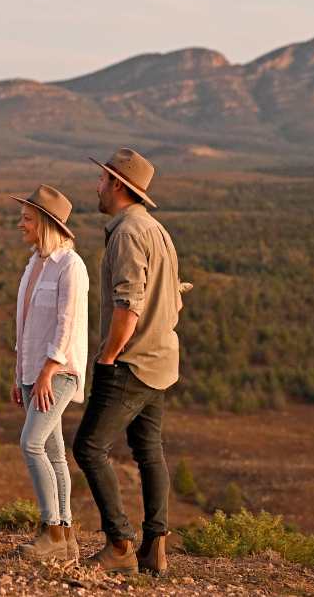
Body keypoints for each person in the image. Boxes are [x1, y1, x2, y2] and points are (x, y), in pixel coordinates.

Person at [73, 147, 191, 575]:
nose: (97, 186)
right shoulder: (155, 228)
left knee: (88, 446)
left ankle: (120, 543)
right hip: (161, 361)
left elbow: (128, 304)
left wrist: (107, 357)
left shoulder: (126, 232)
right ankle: (154, 547)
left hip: (131, 364)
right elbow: (174, 296)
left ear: (118, 185)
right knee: (148, 450)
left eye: (102, 179)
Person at [9, 185, 89, 563]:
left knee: (32, 444)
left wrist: (46, 372)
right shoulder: (34, 264)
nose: (20, 224)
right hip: (32, 372)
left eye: (27, 219)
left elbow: (66, 324)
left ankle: (51, 531)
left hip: (57, 373)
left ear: (45, 223)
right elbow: (26, 325)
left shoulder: (71, 267)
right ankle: (68, 538)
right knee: (55, 452)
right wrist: (19, 373)